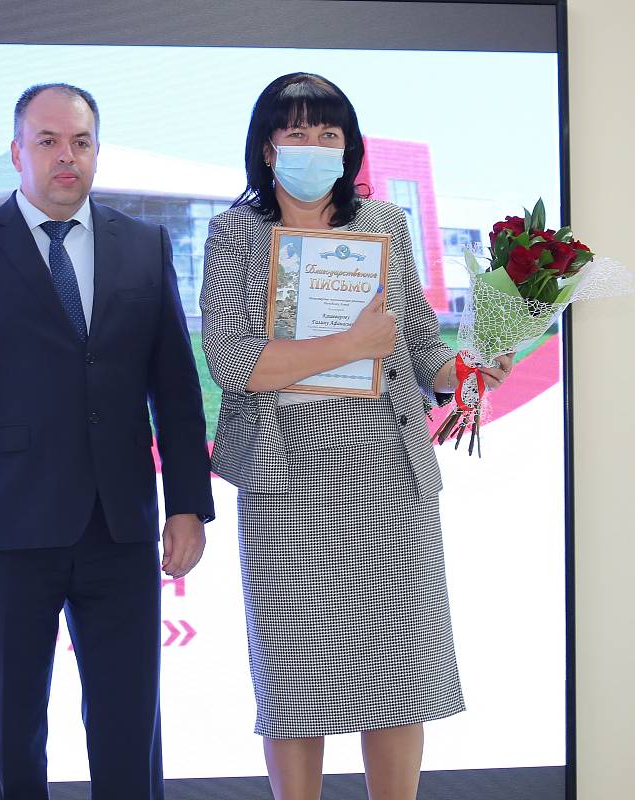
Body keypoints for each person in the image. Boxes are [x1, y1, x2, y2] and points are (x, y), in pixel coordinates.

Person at [0, 83, 215, 800]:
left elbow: (175, 386)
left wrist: (188, 503)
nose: (66, 156)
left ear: (97, 150)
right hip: (8, 528)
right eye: (48, 142)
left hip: (121, 526)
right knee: (11, 732)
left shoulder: (144, 244)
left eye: (80, 142)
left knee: (130, 727)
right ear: (17, 152)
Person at [199, 73, 513, 800]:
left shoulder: (384, 225)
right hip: (285, 479)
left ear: (349, 147)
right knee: (294, 674)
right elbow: (234, 362)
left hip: (387, 474)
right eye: (296, 132)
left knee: (400, 672)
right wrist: (349, 344)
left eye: (328, 134)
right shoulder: (233, 235)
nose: (313, 146)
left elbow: (421, 350)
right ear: (268, 148)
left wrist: (469, 369)